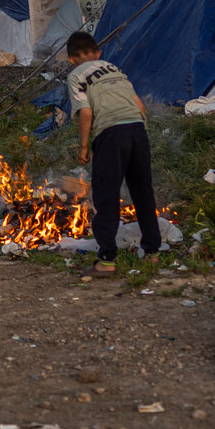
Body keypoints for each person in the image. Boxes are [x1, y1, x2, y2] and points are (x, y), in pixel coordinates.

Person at [64, 31, 160, 275]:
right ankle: (152, 253)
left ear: (70, 59)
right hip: (137, 130)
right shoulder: (113, 68)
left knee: (106, 197)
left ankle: (106, 260)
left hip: (110, 134)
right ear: (98, 53)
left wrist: (84, 147)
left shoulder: (76, 74)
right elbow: (139, 104)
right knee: (143, 193)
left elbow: (86, 113)